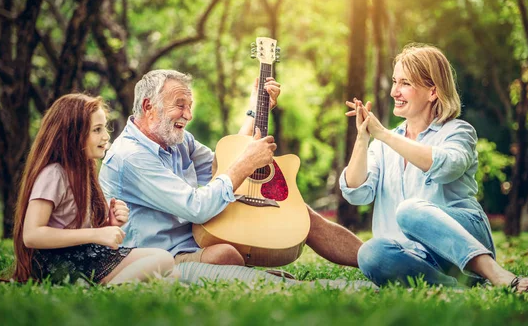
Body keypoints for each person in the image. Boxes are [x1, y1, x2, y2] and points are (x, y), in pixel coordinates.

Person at [99, 70, 362, 268]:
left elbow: (224, 164)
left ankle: (374, 261)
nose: (188, 115)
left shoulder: (178, 140)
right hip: (160, 258)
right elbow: (196, 206)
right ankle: (272, 282)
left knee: (299, 213)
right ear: (149, 107)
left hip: (196, 240)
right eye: (180, 105)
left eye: (189, 106)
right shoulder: (130, 157)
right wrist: (246, 162)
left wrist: (257, 110)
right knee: (224, 255)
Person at [340, 44, 528, 293]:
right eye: (394, 81)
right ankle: (455, 288)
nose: (393, 92)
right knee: (370, 253)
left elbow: (446, 167)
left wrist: (383, 135)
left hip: (467, 239)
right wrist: (363, 138)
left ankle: (494, 273)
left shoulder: (457, 131)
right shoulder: (382, 145)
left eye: (405, 83)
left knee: (410, 210)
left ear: (432, 91)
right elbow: (357, 193)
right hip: (421, 258)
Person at [12, 94, 176, 285]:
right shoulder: (54, 174)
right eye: (97, 130)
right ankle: (105, 293)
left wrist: (108, 225)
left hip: (82, 255)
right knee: (162, 261)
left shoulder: (83, 172)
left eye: (104, 128)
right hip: (58, 263)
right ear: (72, 135)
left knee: (171, 273)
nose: (106, 136)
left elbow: (75, 229)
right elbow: (32, 235)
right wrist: (97, 235)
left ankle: (119, 288)